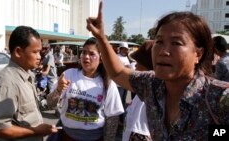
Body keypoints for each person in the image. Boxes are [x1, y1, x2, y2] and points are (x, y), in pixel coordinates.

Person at [86, 1, 229, 140]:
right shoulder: (151, 84)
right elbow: (118, 73)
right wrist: (101, 38)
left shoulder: (219, 98)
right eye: (159, 42)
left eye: (176, 43)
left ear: (198, 54)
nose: (163, 51)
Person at [0, 26, 57, 141]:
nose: (39, 57)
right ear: (18, 52)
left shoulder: (28, 76)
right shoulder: (7, 82)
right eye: (35, 52)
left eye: (40, 52)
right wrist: (36, 131)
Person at [47, 37, 124, 141]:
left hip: (94, 138)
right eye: (83, 52)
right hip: (66, 136)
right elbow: (50, 104)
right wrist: (58, 90)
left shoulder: (108, 84)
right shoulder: (69, 75)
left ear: (101, 58)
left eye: (92, 54)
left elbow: (112, 118)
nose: (86, 57)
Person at [122, 40, 154, 141]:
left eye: (138, 63)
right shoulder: (143, 94)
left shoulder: (145, 101)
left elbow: (140, 136)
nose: (135, 66)